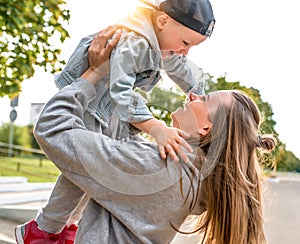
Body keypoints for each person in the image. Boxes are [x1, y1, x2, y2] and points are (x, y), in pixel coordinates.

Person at [17, 25, 276, 243]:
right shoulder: (190, 175)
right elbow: (118, 142)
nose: (194, 94)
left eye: (204, 98)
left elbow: (53, 128)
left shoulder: (158, 167)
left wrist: (94, 73)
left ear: (205, 129)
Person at [16, 0, 216, 242]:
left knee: (96, 169)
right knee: (85, 166)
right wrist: (155, 127)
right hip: (90, 103)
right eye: (185, 43)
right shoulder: (136, 41)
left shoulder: (164, 43)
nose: (185, 51)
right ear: (163, 22)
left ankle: (70, 225)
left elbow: (182, 67)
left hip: (108, 110)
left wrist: (198, 93)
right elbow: (119, 91)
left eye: (192, 47)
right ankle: (44, 228)